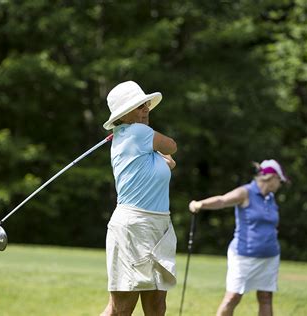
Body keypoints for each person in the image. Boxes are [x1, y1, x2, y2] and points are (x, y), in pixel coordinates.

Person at [100, 81, 178, 316]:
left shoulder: (130, 137)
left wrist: (163, 162)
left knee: (157, 307)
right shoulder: (138, 132)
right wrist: (165, 158)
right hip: (135, 227)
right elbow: (172, 146)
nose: (145, 109)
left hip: (159, 227)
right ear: (123, 116)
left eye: (145, 104)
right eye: (138, 106)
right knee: (121, 308)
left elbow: (161, 162)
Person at [188, 159, 288, 316]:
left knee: (266, 297)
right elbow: (222, 200)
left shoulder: (271, 198)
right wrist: (200, 204)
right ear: (272, 177)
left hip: (270, 257)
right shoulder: (246, 192)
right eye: (280, 180)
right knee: (232, 297)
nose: (280, 184)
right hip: (243, 256)